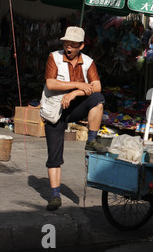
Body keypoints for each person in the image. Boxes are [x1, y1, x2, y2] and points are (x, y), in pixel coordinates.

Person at [43, 26, 107, 211]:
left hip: (74, 107)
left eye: (72, 45)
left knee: (97, 99)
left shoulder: (88, 62)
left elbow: (96, 86)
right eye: (66, 44)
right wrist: (78, 84)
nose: (68, 48)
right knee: (54, 156)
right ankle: (55, 195)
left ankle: (92, 140)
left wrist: (75, 93)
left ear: (81, 46)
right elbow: (51, 83)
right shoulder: (53, 57)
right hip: (54, 109)